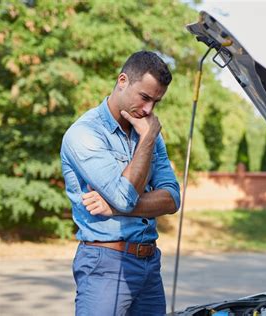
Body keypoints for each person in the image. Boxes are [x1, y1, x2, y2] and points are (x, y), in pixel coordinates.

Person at [60, 51, 180, 315]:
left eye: (156, 102)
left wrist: (113, 208)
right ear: (123, 80)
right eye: (145, 97)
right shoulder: (84, 134)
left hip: (150, 264)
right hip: (105, 265)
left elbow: (172, 199)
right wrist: (147, 140)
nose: (149, 110)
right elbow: (124, 196)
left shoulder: (146, 131)